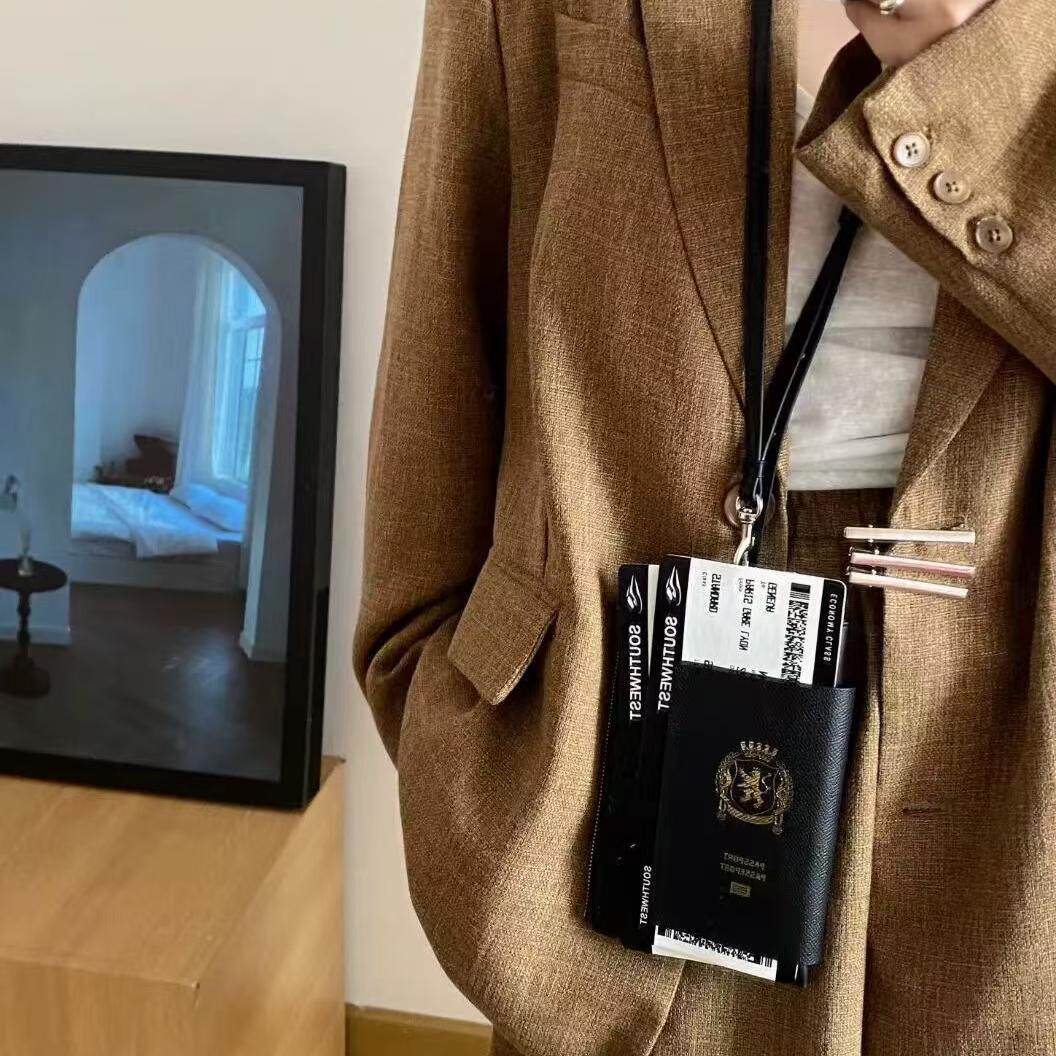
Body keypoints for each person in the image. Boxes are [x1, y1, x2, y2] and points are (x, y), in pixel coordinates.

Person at [355, 1, 1056, 1053]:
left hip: (1013, 782)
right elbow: (444, 324)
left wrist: (966, 79)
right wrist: (442, 707)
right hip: (615, 724)